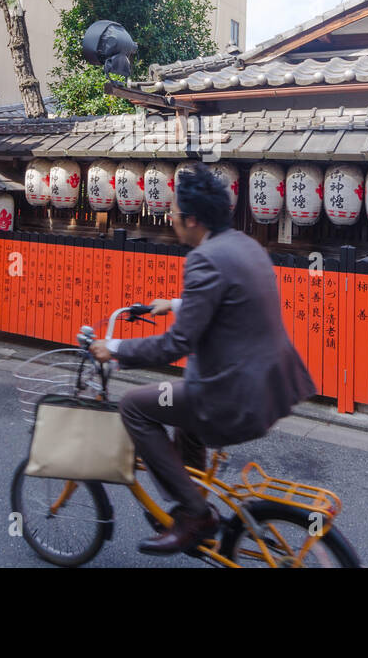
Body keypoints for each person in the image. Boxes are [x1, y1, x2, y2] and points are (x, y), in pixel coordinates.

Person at [89, 164, 317, 556]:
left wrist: (116, 348)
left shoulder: (203, 259)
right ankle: (194, 498)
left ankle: (195, 513)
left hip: (230, 396)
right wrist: (174, 303)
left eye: (174, 213)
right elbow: (229, 302)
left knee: (134, 407)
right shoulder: (246, 245)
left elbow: (176, 344)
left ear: (192, 219)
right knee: (181, 412)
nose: (171, 219)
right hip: (271, 384)